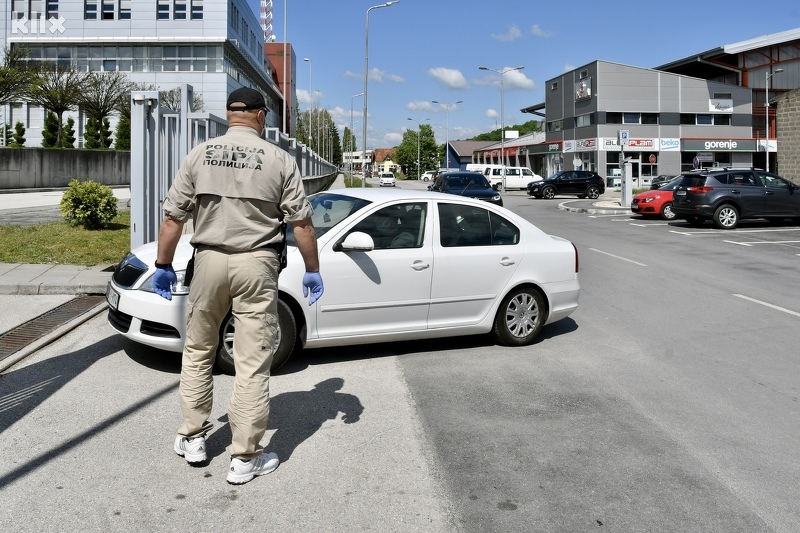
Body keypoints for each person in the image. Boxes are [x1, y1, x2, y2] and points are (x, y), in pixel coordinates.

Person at [151, 87, 324, 485]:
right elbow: (301, 224)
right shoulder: (280, 159)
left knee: (197, 349)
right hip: (257, 264)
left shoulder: (199, 154)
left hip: (209, 261)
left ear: (230, 114)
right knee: (251, 361)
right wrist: (312, 269)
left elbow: (173, 219)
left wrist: (163, 264)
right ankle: (245, 458)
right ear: (261, 116)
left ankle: (193, 437)